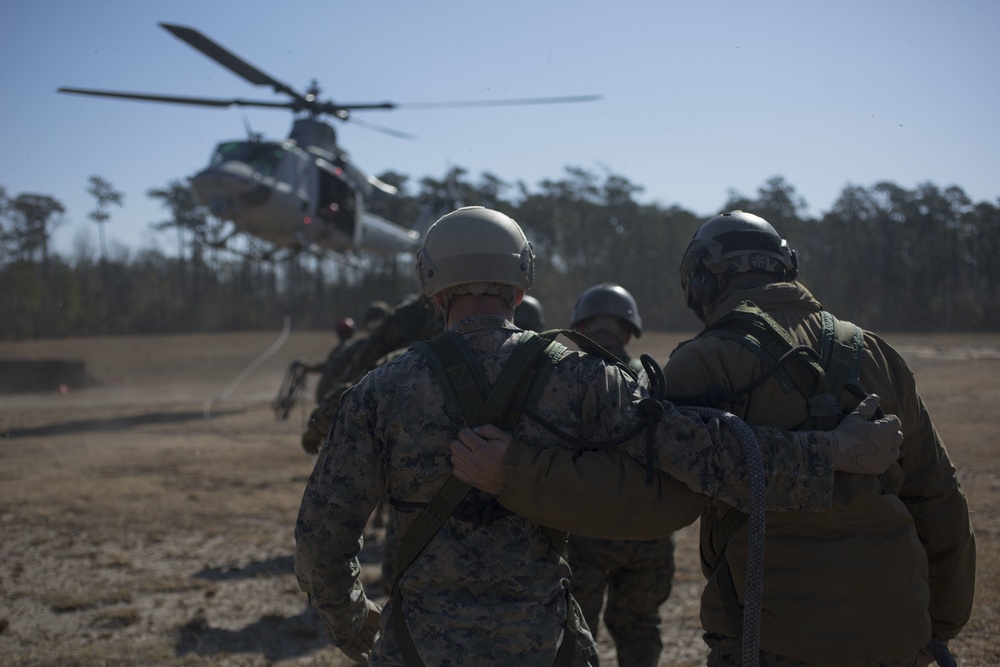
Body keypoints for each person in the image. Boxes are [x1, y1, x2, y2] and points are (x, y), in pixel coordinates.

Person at [294, 206, 902, 666]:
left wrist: (354, 626)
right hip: (545, 644)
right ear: (519, 285)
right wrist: (835, 453)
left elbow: (323, 534)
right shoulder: (581, 377)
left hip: (415, 647)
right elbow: (707, 449)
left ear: (432, 287)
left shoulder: (382, 389)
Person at [661, 210, 975, 666]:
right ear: (786, 266)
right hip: (897, 634)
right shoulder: (874, 353)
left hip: (769, 642)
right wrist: (938, 628)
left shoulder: (702, 362)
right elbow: (939, 497)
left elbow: (656, 500)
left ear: (703, 282)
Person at [567, 283, 676, 667]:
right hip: (648, 533)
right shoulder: (657, 382)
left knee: (574, 635)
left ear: (578, 330)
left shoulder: (562, 382)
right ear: (630, 332)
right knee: (640, 626)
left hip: (583, 533)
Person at [570, 282, 643, 373]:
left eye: (613, 327)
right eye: (596, 325)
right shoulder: (643, 375)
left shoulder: (565, 371)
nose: (604, 335)